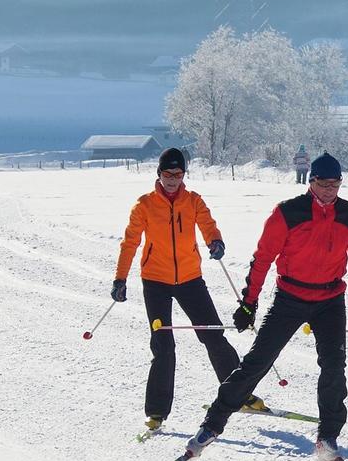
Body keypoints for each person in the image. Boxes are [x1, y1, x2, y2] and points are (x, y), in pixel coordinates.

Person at [184, 151, 348, 461]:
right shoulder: (287, 213)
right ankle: (211, 426)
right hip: (290, 298)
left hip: (330, 300)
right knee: (257, 362)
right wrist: (248, 302)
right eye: (323, 184)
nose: (329, 191)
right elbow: (263, 258)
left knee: (334, 367)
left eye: (335, 185)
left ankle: (327, 439)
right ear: (311, 182)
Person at [111, 147, 265, 433]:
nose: (172, 179)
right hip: (155, 281)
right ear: (158, 174)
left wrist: (215, 241)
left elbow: (208, 225)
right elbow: (130, 242)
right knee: (163, 345)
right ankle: (156, 411)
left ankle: (239, 394)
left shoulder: (192, 201)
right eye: (168, 174)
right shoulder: (144, 205)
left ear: (184, 175)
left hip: (190, 278)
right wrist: (120, 279)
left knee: (213, 335)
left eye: (178, 174)